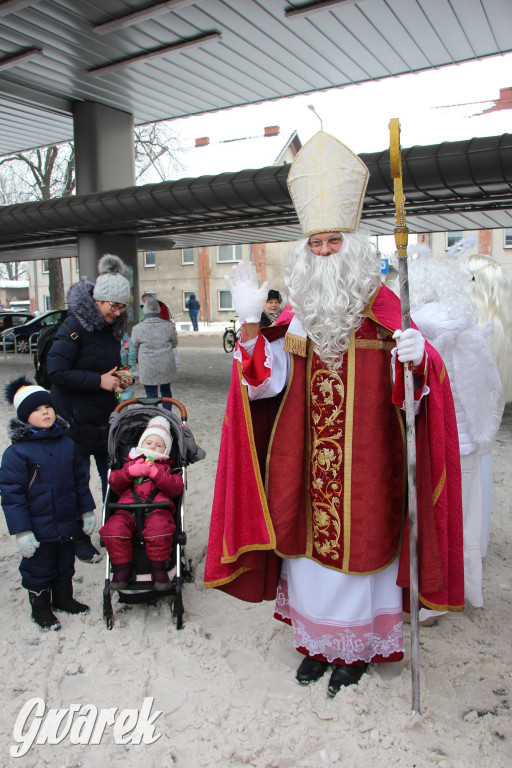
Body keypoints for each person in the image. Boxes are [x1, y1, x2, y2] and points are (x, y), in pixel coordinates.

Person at [204, 132, 464, 698]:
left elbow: (420, 391)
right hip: (304, 460)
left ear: (353, 244)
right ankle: (317, 644)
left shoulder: (386, 306)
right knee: (307, 552)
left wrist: (419, 360)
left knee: (366, 550)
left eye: (332, 242)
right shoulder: (296, 315)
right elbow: (266, 382)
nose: (323, 252)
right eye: (315, 243)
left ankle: (358, 651)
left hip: (370, 461)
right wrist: (250, 331)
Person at [403, 251, 502, 611]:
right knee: (465, 519)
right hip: (468, 438)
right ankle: (464, 589)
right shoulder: (468, 326)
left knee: (434, 518)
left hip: (440, 436)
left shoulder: (422, 321)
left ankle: (432, 594)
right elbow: (483, 387)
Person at [47, 254, 133, 563]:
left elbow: (103, 368)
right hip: (73, 418)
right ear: (97, 300)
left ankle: (112, 530)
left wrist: (119, 379)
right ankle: (77, 537)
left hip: (102, 417)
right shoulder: (74, 326)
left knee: (113, 477)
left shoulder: (110, 327)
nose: (117, 311)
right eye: (113, 305)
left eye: (122, 306)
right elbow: (55, 373)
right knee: (76, 482)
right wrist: (99, 381)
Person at [0, 377, 96, 631]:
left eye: (48, 407)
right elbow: (12, 495)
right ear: (24, 417)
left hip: (65, 521)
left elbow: (80, 481)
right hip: (37, 527)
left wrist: (86, 509)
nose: (45, 412)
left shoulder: (67, 443)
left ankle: (63, 598)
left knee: (65, 563)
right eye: (36, 410)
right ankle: (40, 609)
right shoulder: (17, 453)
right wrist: (22, 531)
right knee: (39, 567)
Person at [463, 253, 512, 557]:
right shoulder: (500, 325)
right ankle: (476, 543)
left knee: (471, 482)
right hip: (485, 419)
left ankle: (471, 546)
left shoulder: (482, 326)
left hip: (470, 419)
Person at [99, 416, 184, 591]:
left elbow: (176, 488)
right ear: (140, 445)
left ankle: (159, 569)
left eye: (159, 445)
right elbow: (114, 483)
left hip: (158, 509)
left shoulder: (167, 468)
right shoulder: (129, 464)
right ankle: (122, 569)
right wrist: (130, 472)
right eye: (149, 443)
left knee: (160, 528)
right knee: (113, 529)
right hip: (126, 509)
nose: (153, 447)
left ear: (166, 450)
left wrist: (156, 473)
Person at [131, 296, 179, 410]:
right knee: (166, 391)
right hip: (165, 365)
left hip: (148, 366)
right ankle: (168, 415)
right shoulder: (168, 326)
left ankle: (153, 415)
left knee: (151, 394)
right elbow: (174, 343)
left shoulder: (138, 328)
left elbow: (133, 347)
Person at [119, 323, 137, 402]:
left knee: (122, 410)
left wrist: (123, 381)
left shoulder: (127, 342)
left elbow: (131, 365)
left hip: (123, 383)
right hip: (105, 385)